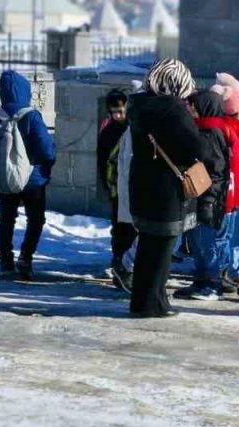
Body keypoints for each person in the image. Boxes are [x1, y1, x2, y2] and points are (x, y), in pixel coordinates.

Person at [126, 58, 205, 319]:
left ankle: (145, 301)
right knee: (161, 251)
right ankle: (153, 303)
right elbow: (194, 147)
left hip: (143, 183)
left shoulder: (138, 105)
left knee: (148, 248)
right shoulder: (173, 108)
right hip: (167, 190)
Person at [0, 70, 56, 281]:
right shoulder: (32, 116)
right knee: (35, 219)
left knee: (6, 219)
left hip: (5, 177)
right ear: (25, 91)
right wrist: (46, 165)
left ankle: (5, 262)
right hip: (33, 179)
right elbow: (46, 148)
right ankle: (25, 258)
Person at [175, 91, 232, 301]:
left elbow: (216, 170)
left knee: (205, 242)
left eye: (194, 106)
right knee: (197, 241)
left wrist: (209, 198)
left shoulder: (211, 132)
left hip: (207, 197)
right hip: (198, 196)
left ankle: (212, 284)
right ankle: (200, 281)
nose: (190, 109)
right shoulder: (203, 129)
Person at [209, 73, 239, 290]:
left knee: (235, 229)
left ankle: (234, 267)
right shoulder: (222, 125)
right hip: (229, 183)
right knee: (225, 230)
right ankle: (223, 268)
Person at [97, 88, 135, 290]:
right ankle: (119, 261)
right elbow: (103, 162)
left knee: (131, 229)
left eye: (121, 111)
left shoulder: (132, 128)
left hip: (130, 187)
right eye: (115, 112)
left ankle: (127, 265)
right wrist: (109, 186)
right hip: (117, 188)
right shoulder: (108, 131)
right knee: (120, 229)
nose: (119, 116)